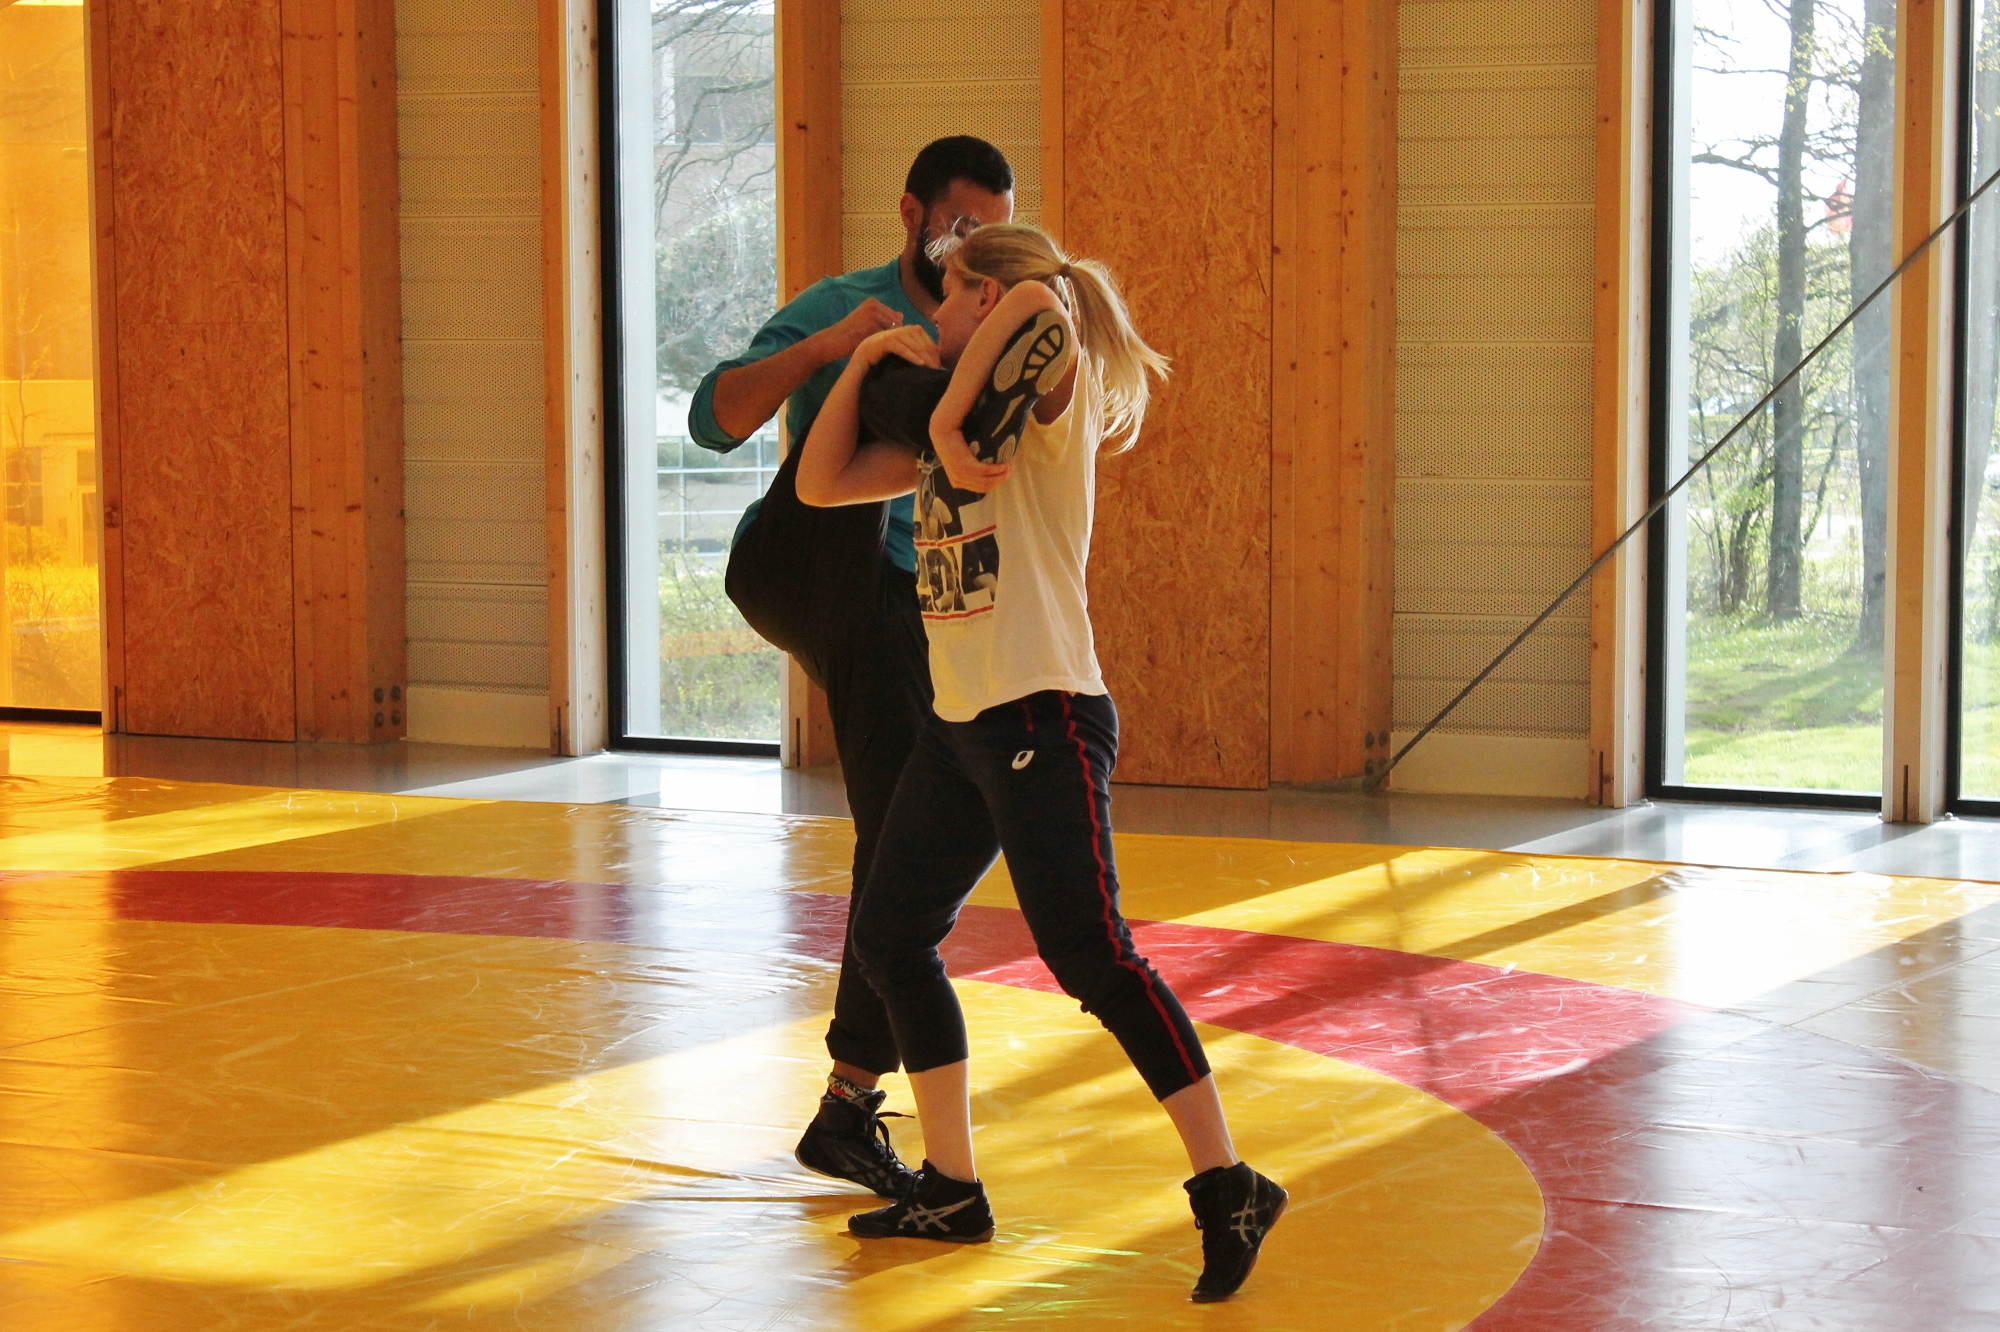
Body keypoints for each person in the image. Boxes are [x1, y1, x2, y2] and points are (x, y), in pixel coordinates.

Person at [794, 224, 1287, 1304]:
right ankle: (951, 1187)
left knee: (1091, 955)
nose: (935, 315)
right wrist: (869, 361)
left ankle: (1229, 1184)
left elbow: (1043, 302)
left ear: (987, 296)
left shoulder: (1042, 398)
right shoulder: (957, 434)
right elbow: (821, 482)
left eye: (950, 297)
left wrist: (947, 401)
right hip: (959, 726)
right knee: (890, 937)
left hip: (1042, 712)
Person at [689, 137, 1014, 1200]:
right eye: (960, 230)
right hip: (797, 559)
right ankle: (851, 1102)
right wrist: (839, 346)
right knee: (882, 372)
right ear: (912, 215)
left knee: (907, 833)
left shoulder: (994, 324)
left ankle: (847, 1103)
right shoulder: (847, 304)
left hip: (897, 615)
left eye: (992, 237)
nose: (972, 253)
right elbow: (711, 420)